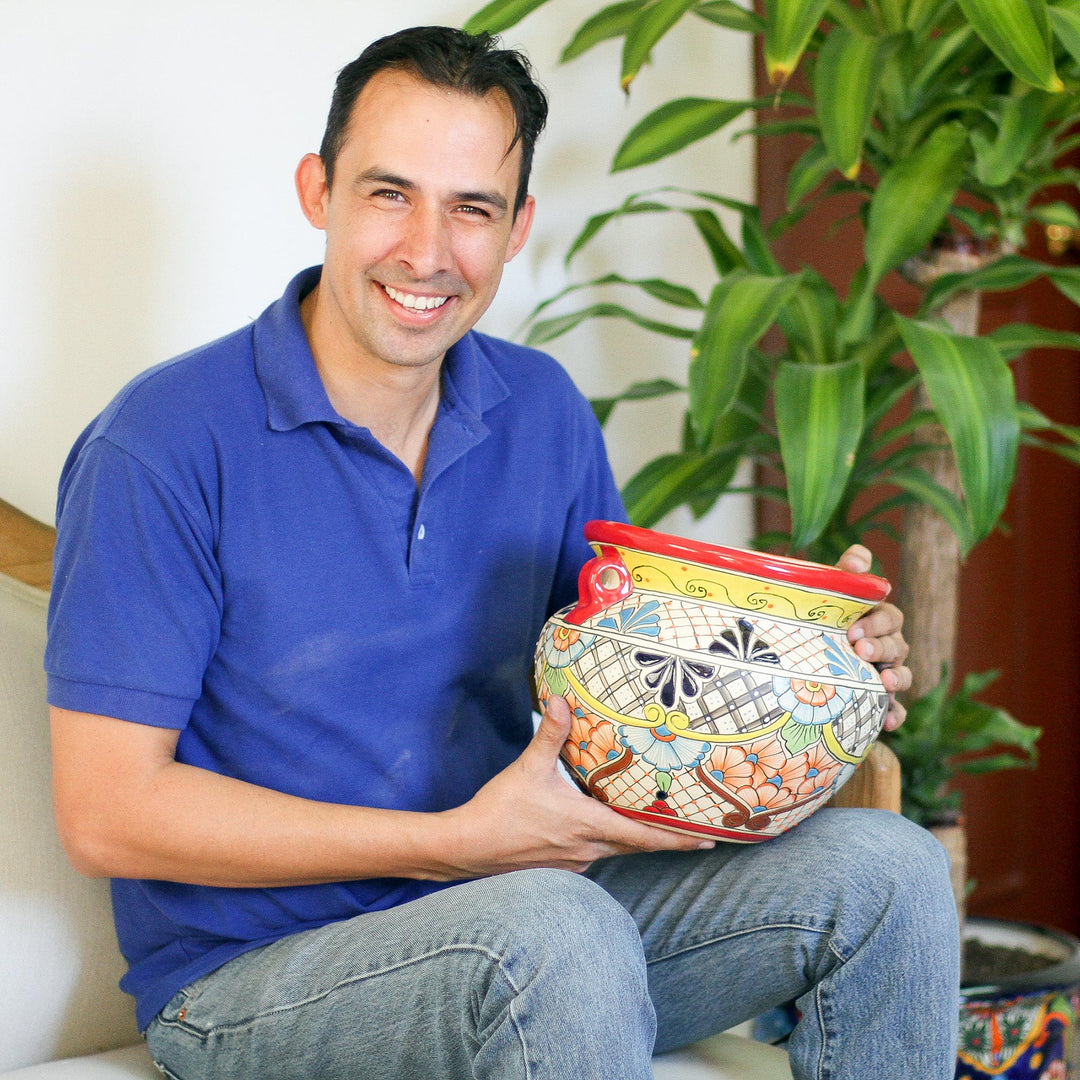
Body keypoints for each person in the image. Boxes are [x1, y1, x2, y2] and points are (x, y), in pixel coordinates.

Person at [45, 25, 959, 1080]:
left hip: (519, 921)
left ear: (518, 226)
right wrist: (455, 844)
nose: (427, 251)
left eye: (472, 208)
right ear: (318, 191)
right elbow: (107, 815)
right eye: (389, 193)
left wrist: (818, 657)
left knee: (889, 869)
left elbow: (632, 680)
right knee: (554, 930)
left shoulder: (540, 409)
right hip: (252, 981)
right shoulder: (161, 444)